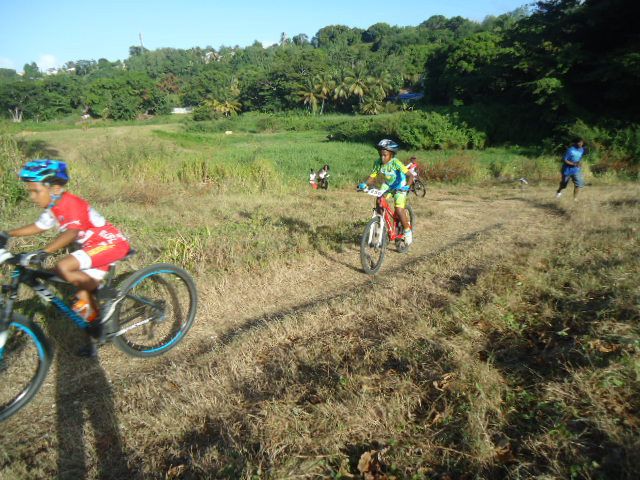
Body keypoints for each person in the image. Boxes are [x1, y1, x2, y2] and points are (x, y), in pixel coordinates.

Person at [0, 159, 131, 355]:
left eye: (35, 191)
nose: (32, 196)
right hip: (91, 248)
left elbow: (71, 232)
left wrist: (45, 251)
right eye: (30, 191)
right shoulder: (52, 207)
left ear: (55, 188)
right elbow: (38, 226)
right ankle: (99, 335)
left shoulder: (71, 203)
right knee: (82, 302)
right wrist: (8, 233)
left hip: (109, 243)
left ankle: (103, 291)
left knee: (64, 267)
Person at [358, 139, 414, 245]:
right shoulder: (378, 162)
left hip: (400, 186)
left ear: (391, 154)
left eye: (385, 155)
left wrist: (407, 186)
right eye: (381, 154)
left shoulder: (396, 163)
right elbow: (373, 176)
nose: (382, 157)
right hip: (387, 185)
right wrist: (365, 184)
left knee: (399, 209)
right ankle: (378, 226)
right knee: (379, 201)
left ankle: (407, 231)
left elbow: (410, 175)